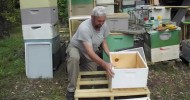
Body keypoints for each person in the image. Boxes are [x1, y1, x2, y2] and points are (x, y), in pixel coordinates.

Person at [66, 6, 115, 100]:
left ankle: (80, 71)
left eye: (103, 21)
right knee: (74, 58)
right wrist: (105, 64)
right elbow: (89, 52)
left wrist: (109, 54)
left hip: (90, 52)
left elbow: (103, 40)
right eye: (99, 21)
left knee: (91, 76)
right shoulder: (84, 27)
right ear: (92, 17)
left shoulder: (103, 25)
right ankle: (71, 90)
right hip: (76, 48)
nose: (101, 23)